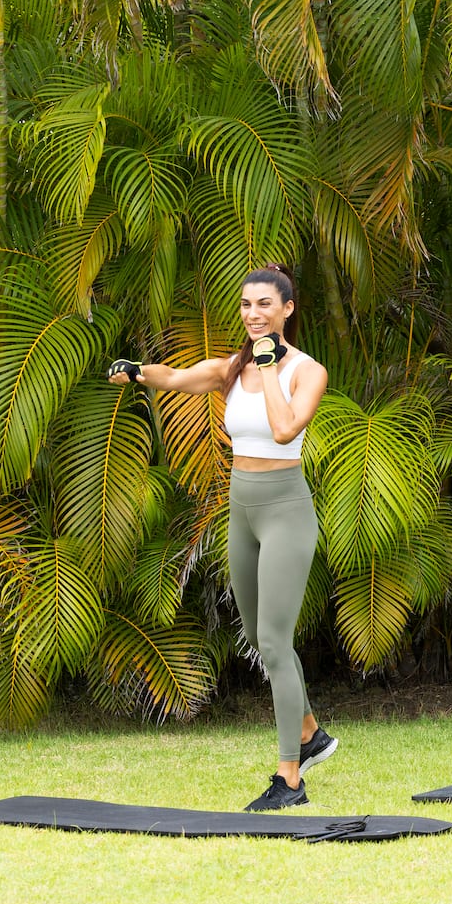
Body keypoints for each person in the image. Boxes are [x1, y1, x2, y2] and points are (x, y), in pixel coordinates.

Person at [111, 265, 332, 811]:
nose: (253, 314)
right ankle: (310, 731)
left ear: (287, 310)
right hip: (242, 510)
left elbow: (285, 429)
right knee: (259, 639)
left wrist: (270, 367)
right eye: (245, 305)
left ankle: (290, 780)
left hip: (286, 511)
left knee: (276, 643)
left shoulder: (308, 372)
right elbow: (177, 377)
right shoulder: (231, 369)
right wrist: (137, 371)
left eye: (264, 305)